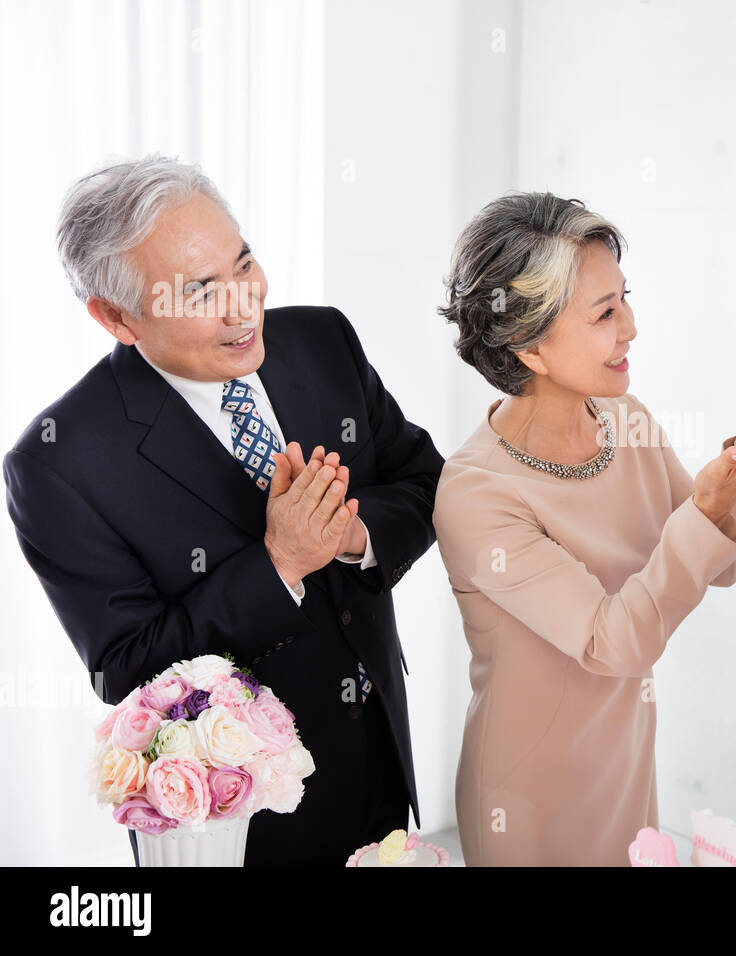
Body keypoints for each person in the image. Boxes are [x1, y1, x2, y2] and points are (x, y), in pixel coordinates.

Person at [3, 155, 444, 866]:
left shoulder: (322, 340)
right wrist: (279, 565)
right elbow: (128, 670)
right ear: (116, 316)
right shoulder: (58, 463)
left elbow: (425, 481)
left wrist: (351, 533)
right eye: (201, 292)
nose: (245, 307)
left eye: (245, 265)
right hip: (231, 823)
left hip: (377, 762)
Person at [433, 192, 736, 865]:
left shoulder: (625, 423)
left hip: (623, 767)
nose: (631, 326)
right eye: (604, 313)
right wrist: (713, 499)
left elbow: (723, 561)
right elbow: (614, 642)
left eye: (624, 298)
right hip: (525, 796)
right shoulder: (478, 493)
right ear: (530, 345)